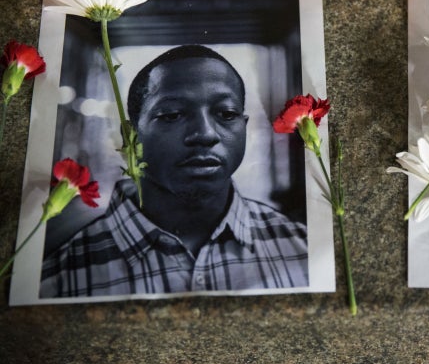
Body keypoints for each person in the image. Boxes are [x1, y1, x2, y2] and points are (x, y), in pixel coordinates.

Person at [40, 45, 308, 297]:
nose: (204, 133)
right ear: (130, 136)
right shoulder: (58, 282)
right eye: (171, 115)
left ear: (244, 126)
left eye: (226, 114)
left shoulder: (304, 250)